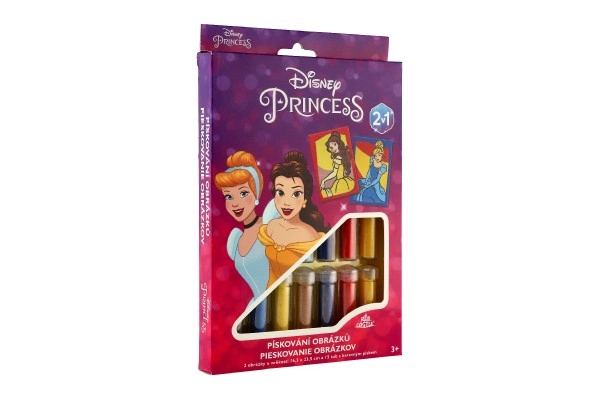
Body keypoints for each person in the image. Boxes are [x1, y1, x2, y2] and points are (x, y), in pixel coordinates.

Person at [214, 151, 269, 331]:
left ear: (256, 194)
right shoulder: (235, 240)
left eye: (243, 193)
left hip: (282, 306)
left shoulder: (271, 227)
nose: (235, 203)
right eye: (228, 196)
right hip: (255, 312)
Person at [258, 151, 330, 287]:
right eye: (280, 192)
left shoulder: (309, 235)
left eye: (296, 194)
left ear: (305, 200)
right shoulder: (271, 227)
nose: (286, 202)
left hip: (298, 295)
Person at [320, 131, 355, 197]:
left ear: (339, 143)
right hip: (343, 181)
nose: (334, 148)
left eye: (335, 144)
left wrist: (324, 180)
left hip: (342, 183)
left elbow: (334, 173)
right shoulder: (339, 157)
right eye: (331, 147)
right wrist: (324, 180)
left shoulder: (339, 158)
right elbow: (334, 173)